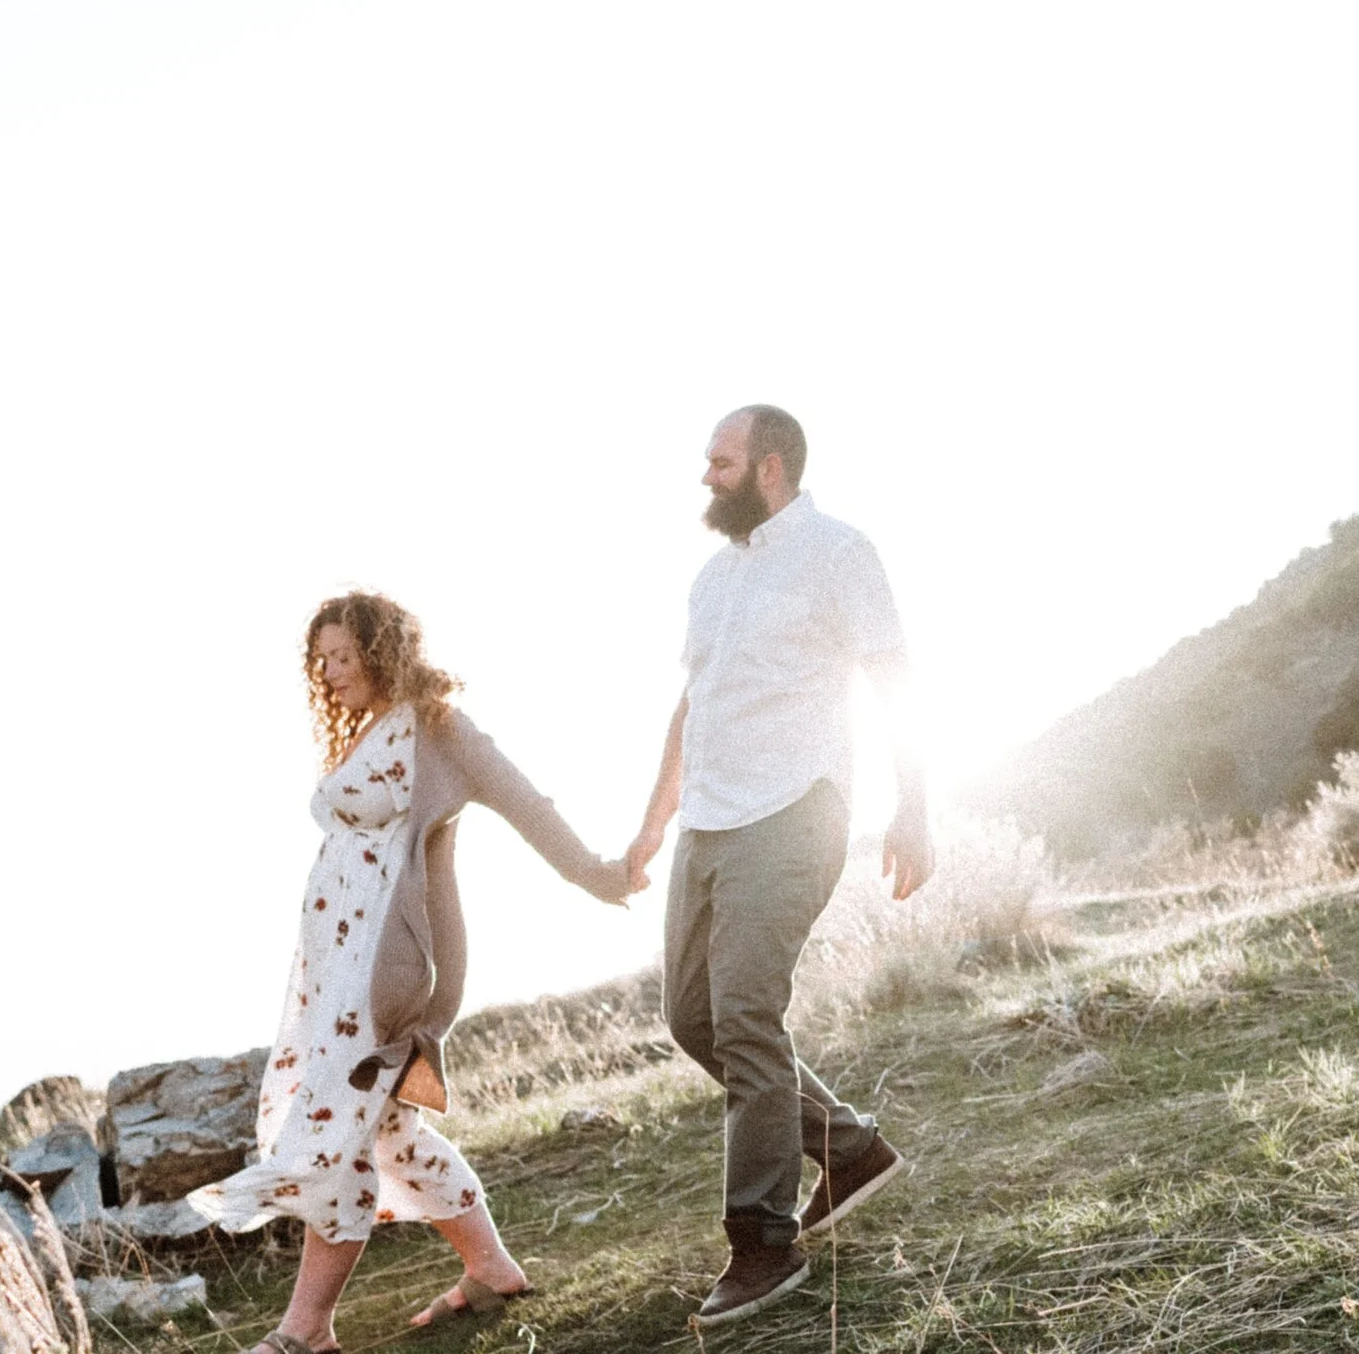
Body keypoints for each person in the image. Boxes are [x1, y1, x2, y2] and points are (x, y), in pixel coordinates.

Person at [192, 592, 636, 1354]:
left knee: (336, 1131)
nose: (329, 673)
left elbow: (525, 802)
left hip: (383, 980)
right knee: (390, 1128)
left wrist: (601, 875)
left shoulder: (440, 727)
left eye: (343, 656)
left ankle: (304, 1330)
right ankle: (491, 1267)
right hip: (336, 980)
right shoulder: (371, 730)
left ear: (382, 649)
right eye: (321, 660)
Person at [614, 404, 936, 1329]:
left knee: (746, 1011)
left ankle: (763, 1240)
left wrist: (914, 804)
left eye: (719, 461)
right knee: (692, 1016)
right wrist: (649, 826)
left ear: (770, 465)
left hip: (795, 808)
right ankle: (850, 1146)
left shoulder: (838, 550)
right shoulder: (712, 579)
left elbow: (894, 673)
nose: (704, 476)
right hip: (707, 824)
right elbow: (693, 706)